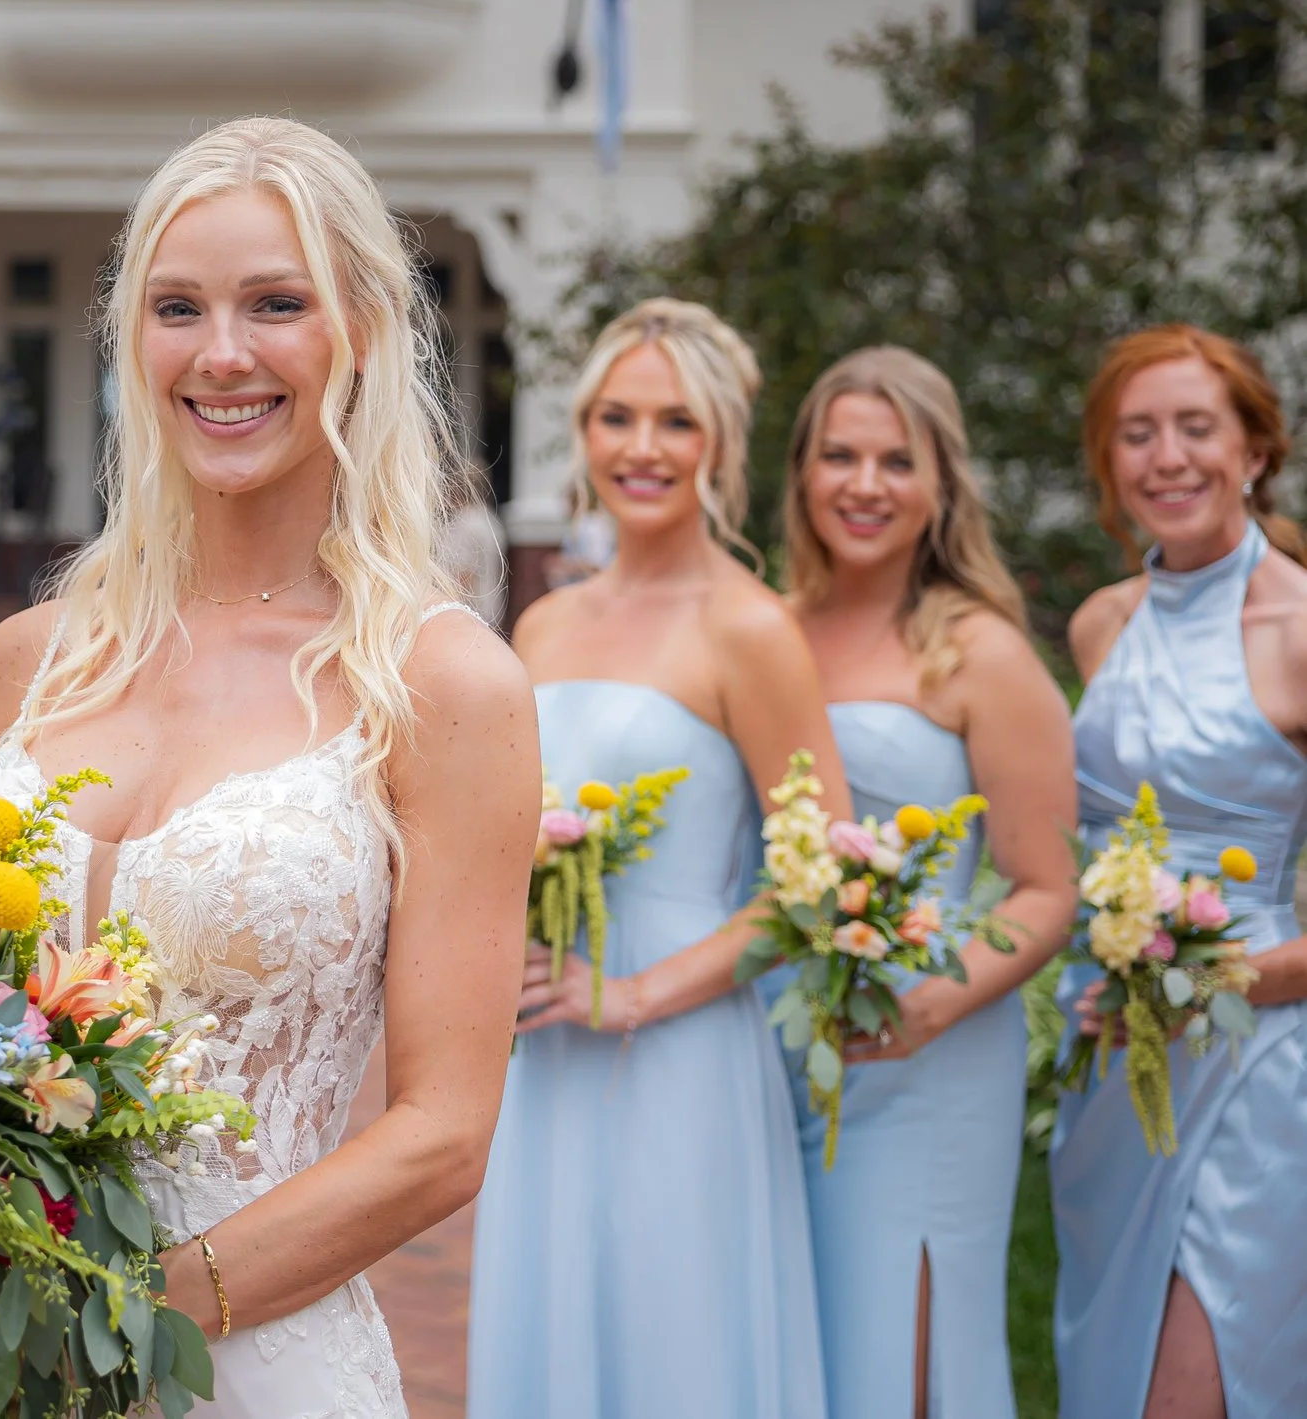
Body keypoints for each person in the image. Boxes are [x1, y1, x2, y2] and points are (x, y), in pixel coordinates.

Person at [0, 117, 537, 1419]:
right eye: (177, 307)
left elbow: (441, 1133)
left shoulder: (444, 682)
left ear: (362, 329)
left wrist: (116, 1317)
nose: (221, 353)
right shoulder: (29, 659)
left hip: (254, 1357)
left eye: (276, 303)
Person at [467, 298, 843, 1418]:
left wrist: (628, 992)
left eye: (674, 421)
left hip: (679, 1042)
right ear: (581, 433)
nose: (641, 447)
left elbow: (814, 886)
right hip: (543, 1047)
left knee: (675, 1335)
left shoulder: (752, 629)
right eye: (616, 417)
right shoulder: (543, 622)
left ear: (718, 442)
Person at [782, 348, 1078, 1419]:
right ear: (803, 473)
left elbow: (1047, 887)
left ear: (939, 483)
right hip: (781, 1046)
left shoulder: (979, 652)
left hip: (929, 1051)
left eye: (895, 460)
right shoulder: (768, 632)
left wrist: (928, 1001)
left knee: (898, 1351)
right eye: (840, 455)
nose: (865, 483)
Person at [1051, 325, 1307, 1419]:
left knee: (1193, 1388)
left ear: (1253, 447)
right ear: (1110, 465)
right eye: (1136, 434)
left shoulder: (1299, 628)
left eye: (1196, 428)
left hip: (1252, 1065)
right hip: (1112, 1062)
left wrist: (1210, 981)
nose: (1167, 458)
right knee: (1112, 1371)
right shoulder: (1099, 626)